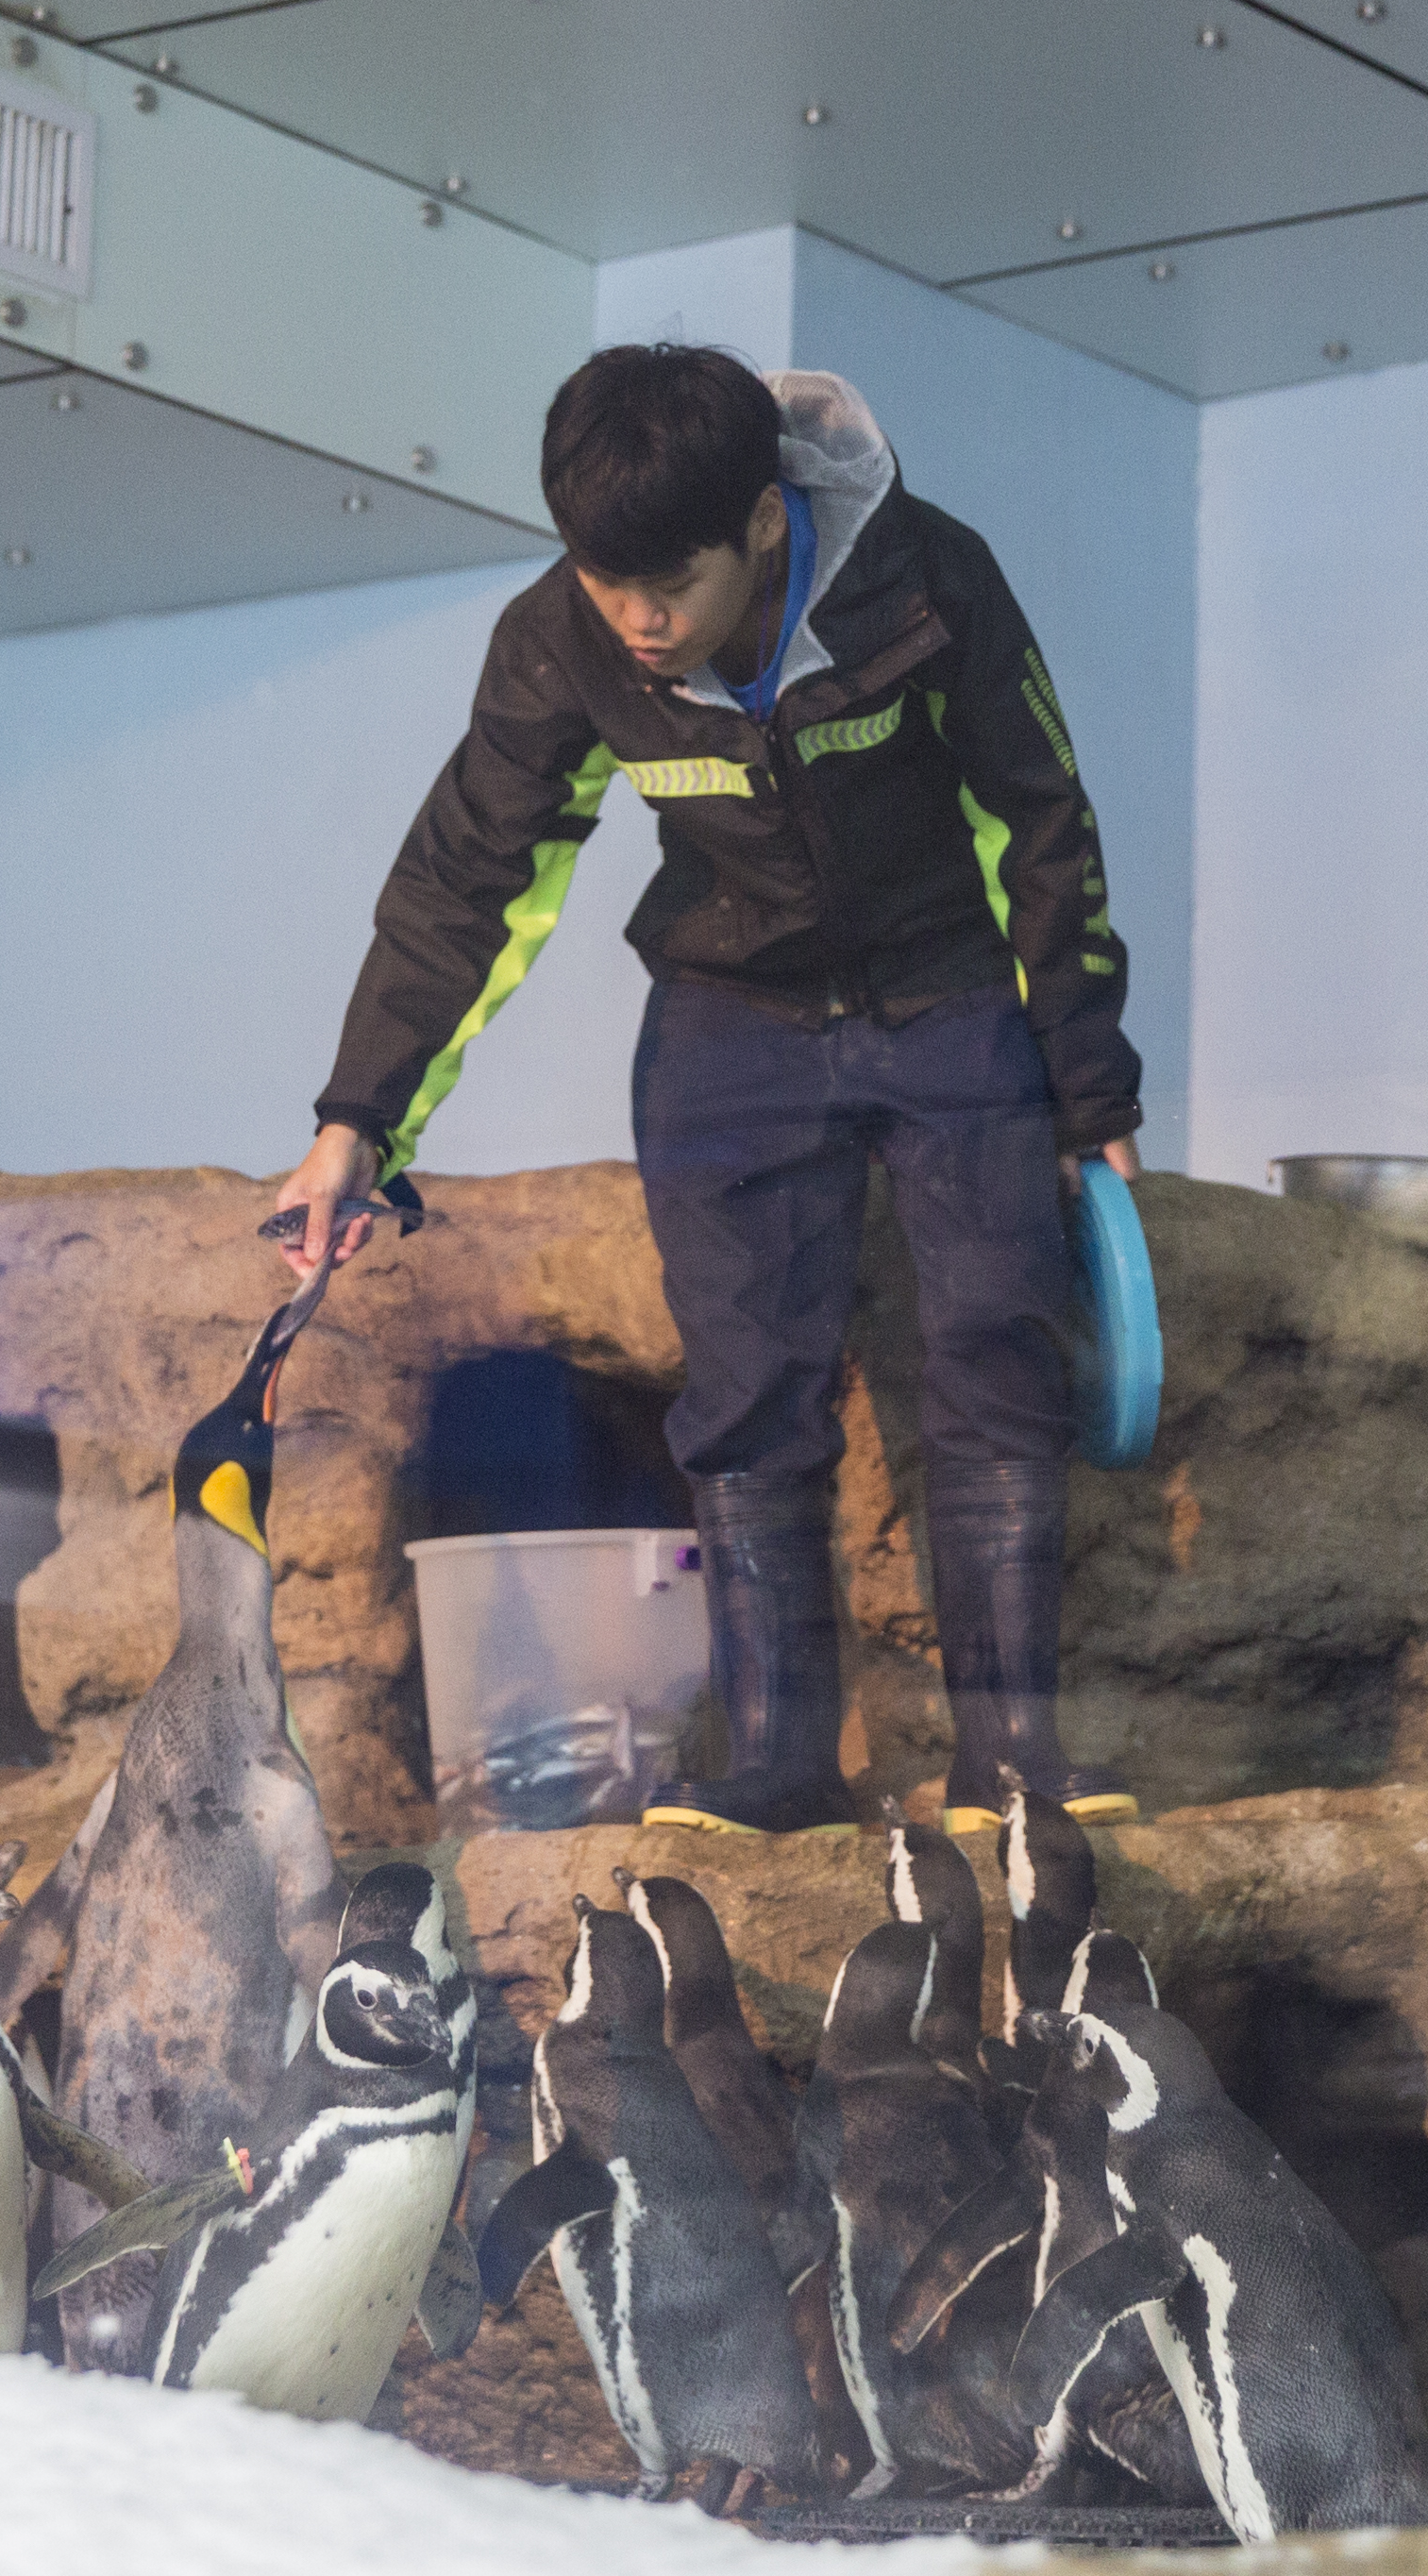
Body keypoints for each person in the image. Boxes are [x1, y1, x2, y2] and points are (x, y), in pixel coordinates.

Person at [268, 346, 1140, 1836]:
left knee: (997, 1356)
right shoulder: (564, 640)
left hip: (944, 999)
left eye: (664, 583)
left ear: (759, 521)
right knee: (744, 1398)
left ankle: (1009, 1765)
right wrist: (359, 1122)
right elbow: (469, 881)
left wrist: (1084, 1083)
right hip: (729, 1018)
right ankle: (783, 1766)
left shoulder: (925, 581)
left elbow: (1036, 823)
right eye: (605, 583)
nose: (637, 621)